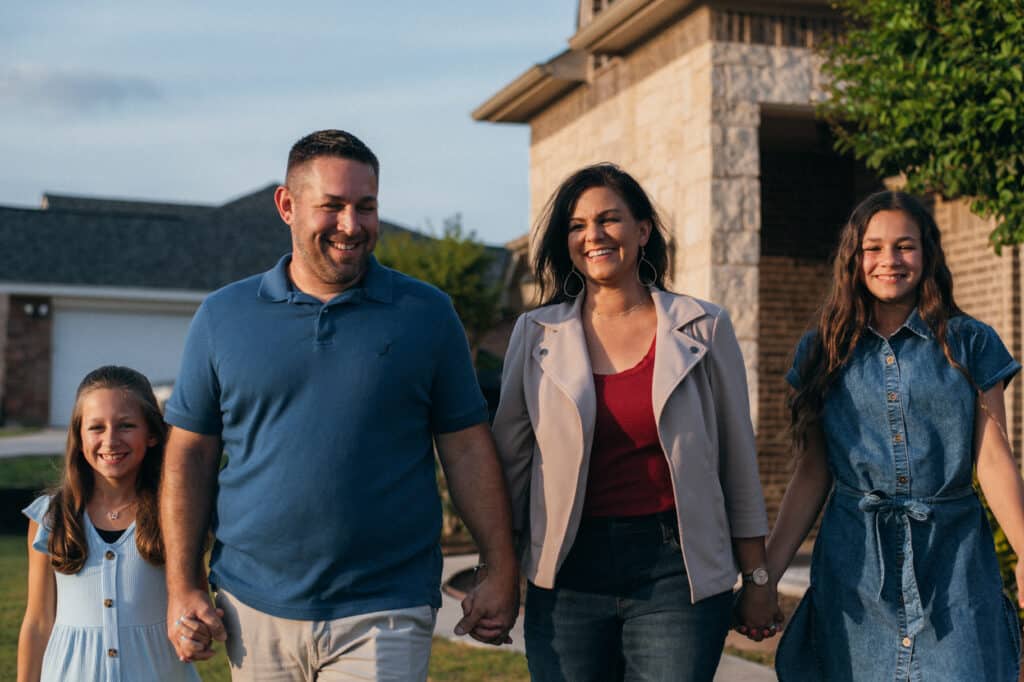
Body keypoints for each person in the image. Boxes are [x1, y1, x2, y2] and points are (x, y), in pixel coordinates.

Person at [159, 129, 518, 680]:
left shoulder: (424, 314)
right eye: (332, 206)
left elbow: (467, 447)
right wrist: (183, 585)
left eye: (366, 206)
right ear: (287, 205)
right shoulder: (222, 317)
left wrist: (498, 567)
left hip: (385, 604)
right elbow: (189, 456)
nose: (352, 225)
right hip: (253, 607)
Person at [491, 163, 775, 681]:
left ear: (642, 231)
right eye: (577, 225)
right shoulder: (534, 334)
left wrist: (757, 577)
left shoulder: (703, 326)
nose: (593, 235)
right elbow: (511, 463)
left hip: (676, 570)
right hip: (567, 573)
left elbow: (737, 459)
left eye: (608, 220)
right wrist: (498, 571)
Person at [767, 191, 1024, 680]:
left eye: (904, 246)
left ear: (927, 253)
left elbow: (993, 461)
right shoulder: (822, 349)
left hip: (954, 564)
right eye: (874, 248)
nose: (890, 260)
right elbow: (812, 472)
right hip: (856, 567)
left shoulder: (970, 341)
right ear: (854, 258)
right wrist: (766, 578)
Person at [17, 366, 205, 682]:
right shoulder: (50, 518)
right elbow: (37, 622)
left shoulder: (177, 515)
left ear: (153, 435)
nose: (111, 440)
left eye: (126, 425)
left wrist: (196, 631)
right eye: (96, 428)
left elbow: (195, 603)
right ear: (77, 436)